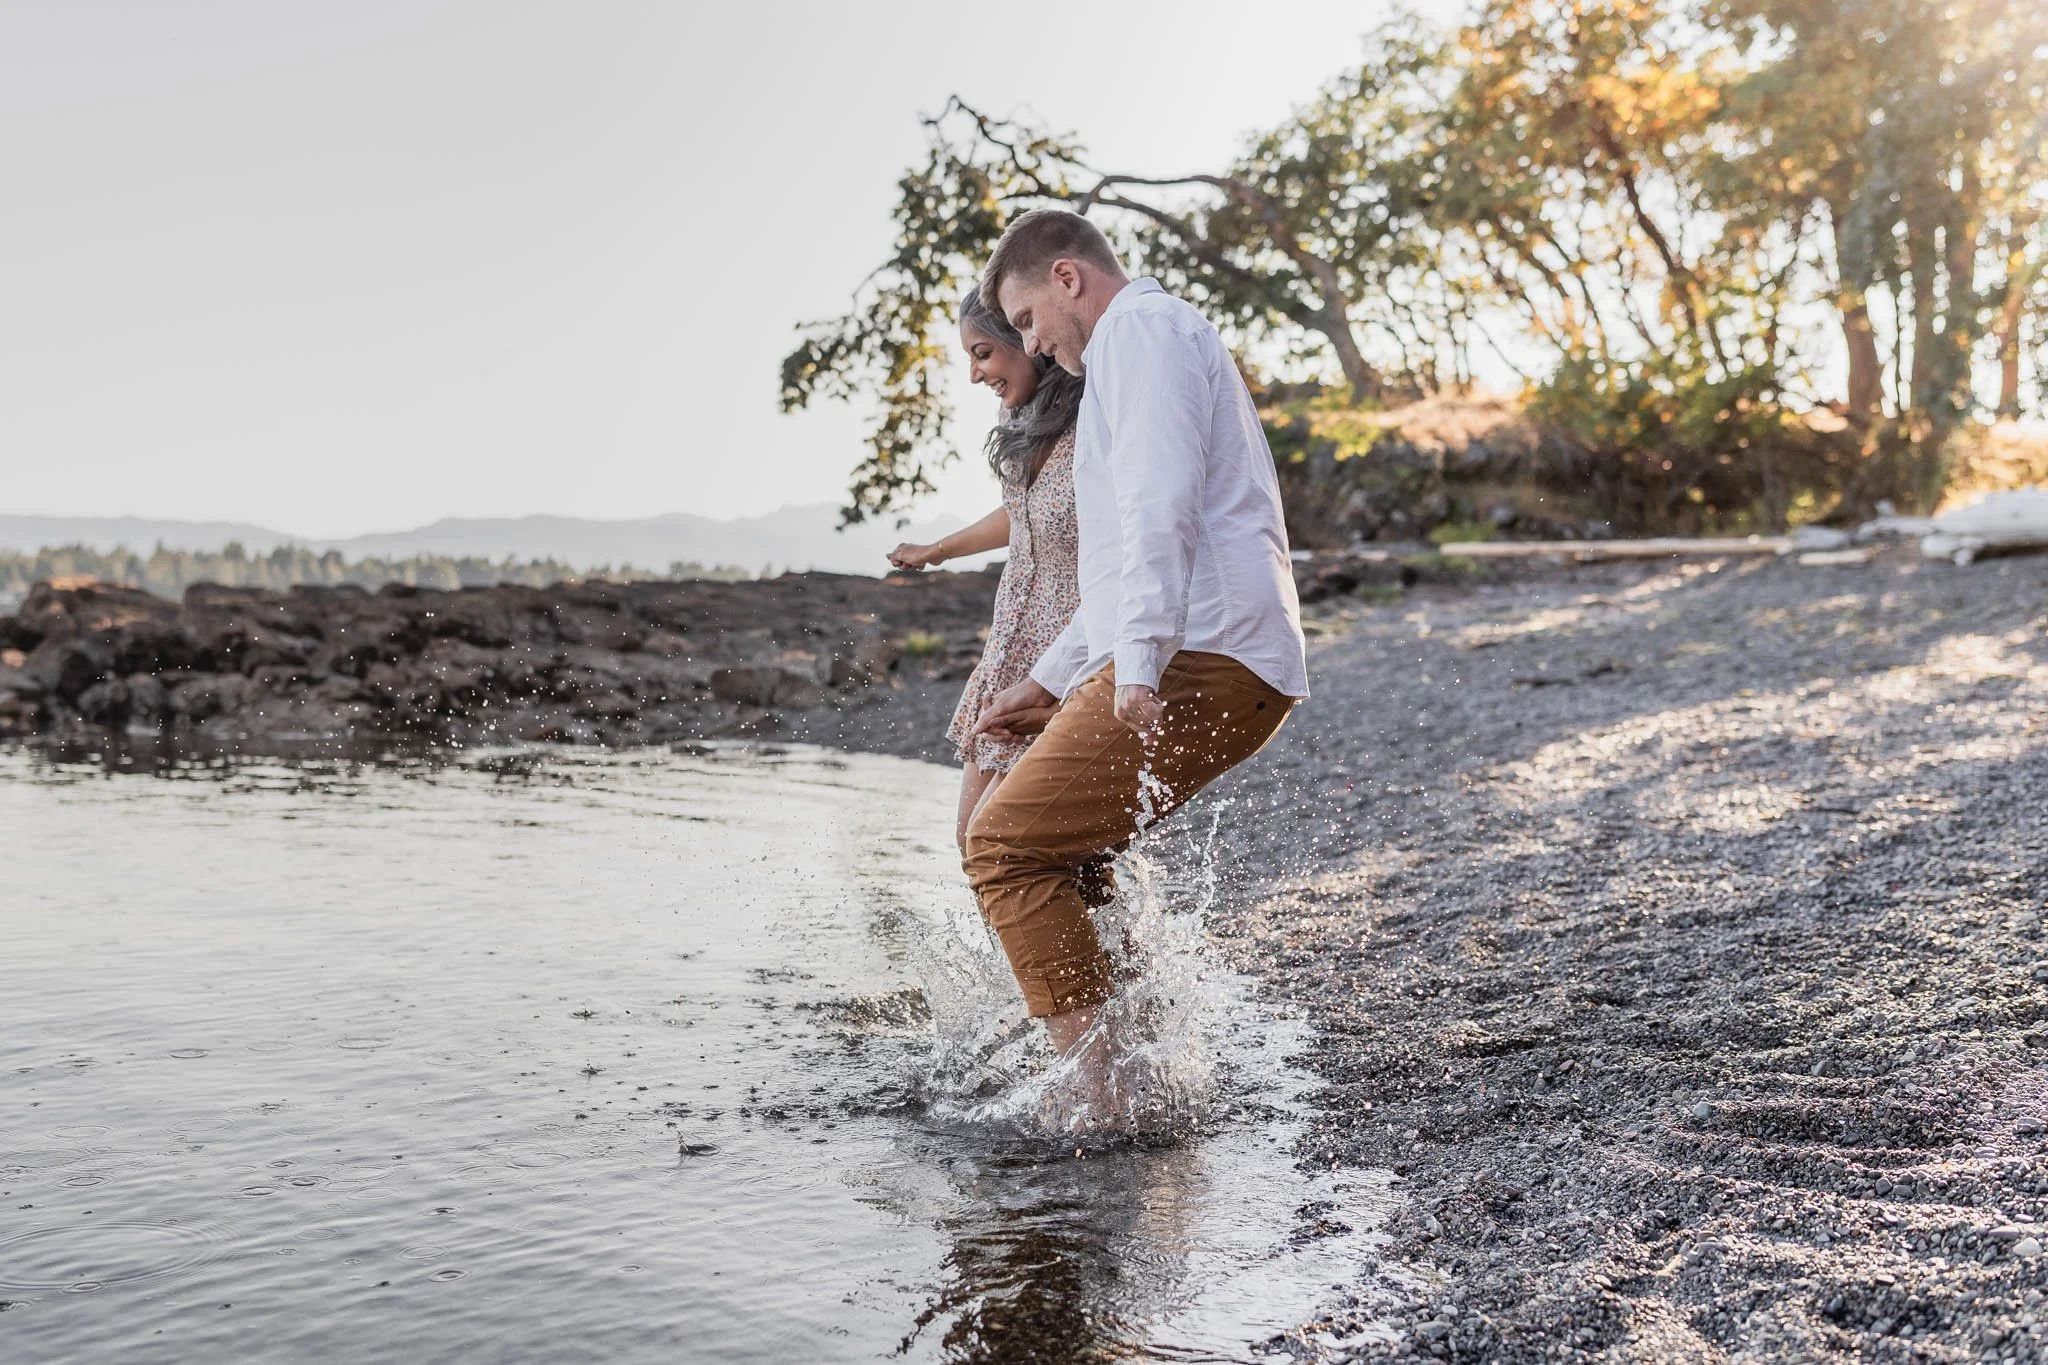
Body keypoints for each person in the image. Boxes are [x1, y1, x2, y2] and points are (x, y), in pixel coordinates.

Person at [965, 209, 1309, 1123]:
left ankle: (1101, 1097)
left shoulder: (1142, 336)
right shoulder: (1135, 347)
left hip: (1204, 649)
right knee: (1067, 856)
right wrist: (1047, 679)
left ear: (1068, 278)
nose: (1030, 341)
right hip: (1198, 642)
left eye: (1028, 318)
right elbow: (1120, 563)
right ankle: (1147, 1066)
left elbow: (1163, 512)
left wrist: (1140, 667)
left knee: (1001, 846)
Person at [888, 288, 1084, 852]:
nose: (975, 374)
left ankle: (1123, 943)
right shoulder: (1019, 416)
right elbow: (1024, 512)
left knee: (1013, 846)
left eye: (983, 353)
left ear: (1027, 339)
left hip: (1069, 657)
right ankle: (1107, 944)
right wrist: (938, 551)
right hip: (1012, 648)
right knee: (976, 842)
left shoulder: (1096, 422)